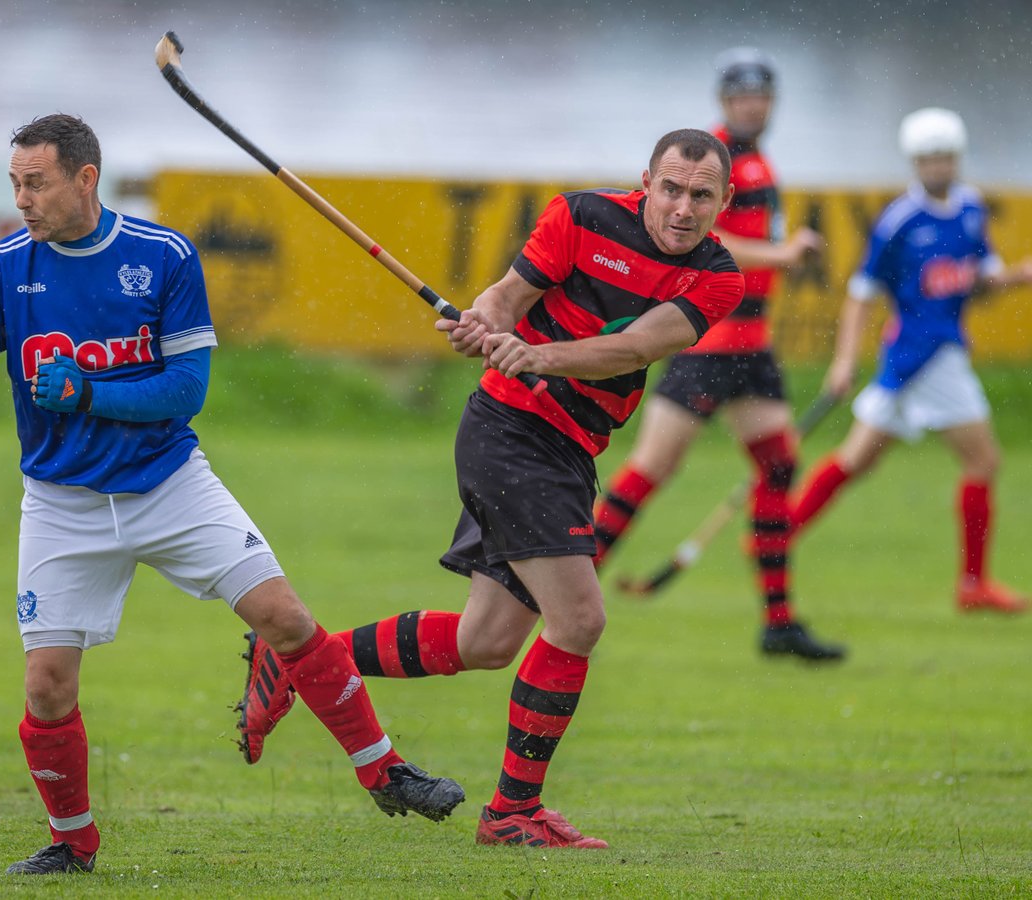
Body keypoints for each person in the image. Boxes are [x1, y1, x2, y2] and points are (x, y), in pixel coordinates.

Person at [0, 114, 464, 877]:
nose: (22, 199)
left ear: (85, 178)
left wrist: (86, 392)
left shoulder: (163, 256)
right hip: (61, 503)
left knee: (284, 617)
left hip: (169, 482)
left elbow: (186, 391)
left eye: (36, 182)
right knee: (46, 687)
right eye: (15, 183)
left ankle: (385, 771)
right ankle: (72, 846)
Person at [235, 128, 745, 849]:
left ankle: (298, 658)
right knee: (579, 620)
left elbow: (633, 348)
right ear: (645, 183)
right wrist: (484, 322)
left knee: (487, 640)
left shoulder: (717, 276)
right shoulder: (580, 218)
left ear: (725, 201)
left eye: (701, 195)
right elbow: (507, 295)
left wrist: (539, 352)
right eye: (671, 188)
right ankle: (512, 813)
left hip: (569, 448)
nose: (683, 208)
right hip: (512, 432)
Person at [589, 48, 845, 661]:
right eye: (742, 96)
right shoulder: (715, 162)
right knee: (648, 472)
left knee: (779, 467)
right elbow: (704, 232)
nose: (753, 105)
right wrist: (783, 256)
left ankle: (778, 623)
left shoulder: (758, 162)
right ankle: (563, 587)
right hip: (709, 344)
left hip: (753, 350)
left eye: (762, 95)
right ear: (726, 102)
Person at [791, 106, 1032, 613]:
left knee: (857, 460)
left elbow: (981, 281)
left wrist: (1016, 276)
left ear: (958, 158)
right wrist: (843, 360)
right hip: (926, 355)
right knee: (984, 461)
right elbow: (861, 294)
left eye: (946, 157)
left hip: (925, 356)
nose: (938, 167)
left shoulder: (970, 210)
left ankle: (774, 537)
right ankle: (973, 585)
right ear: (914, 163)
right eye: (928, 159)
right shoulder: (899, 221)